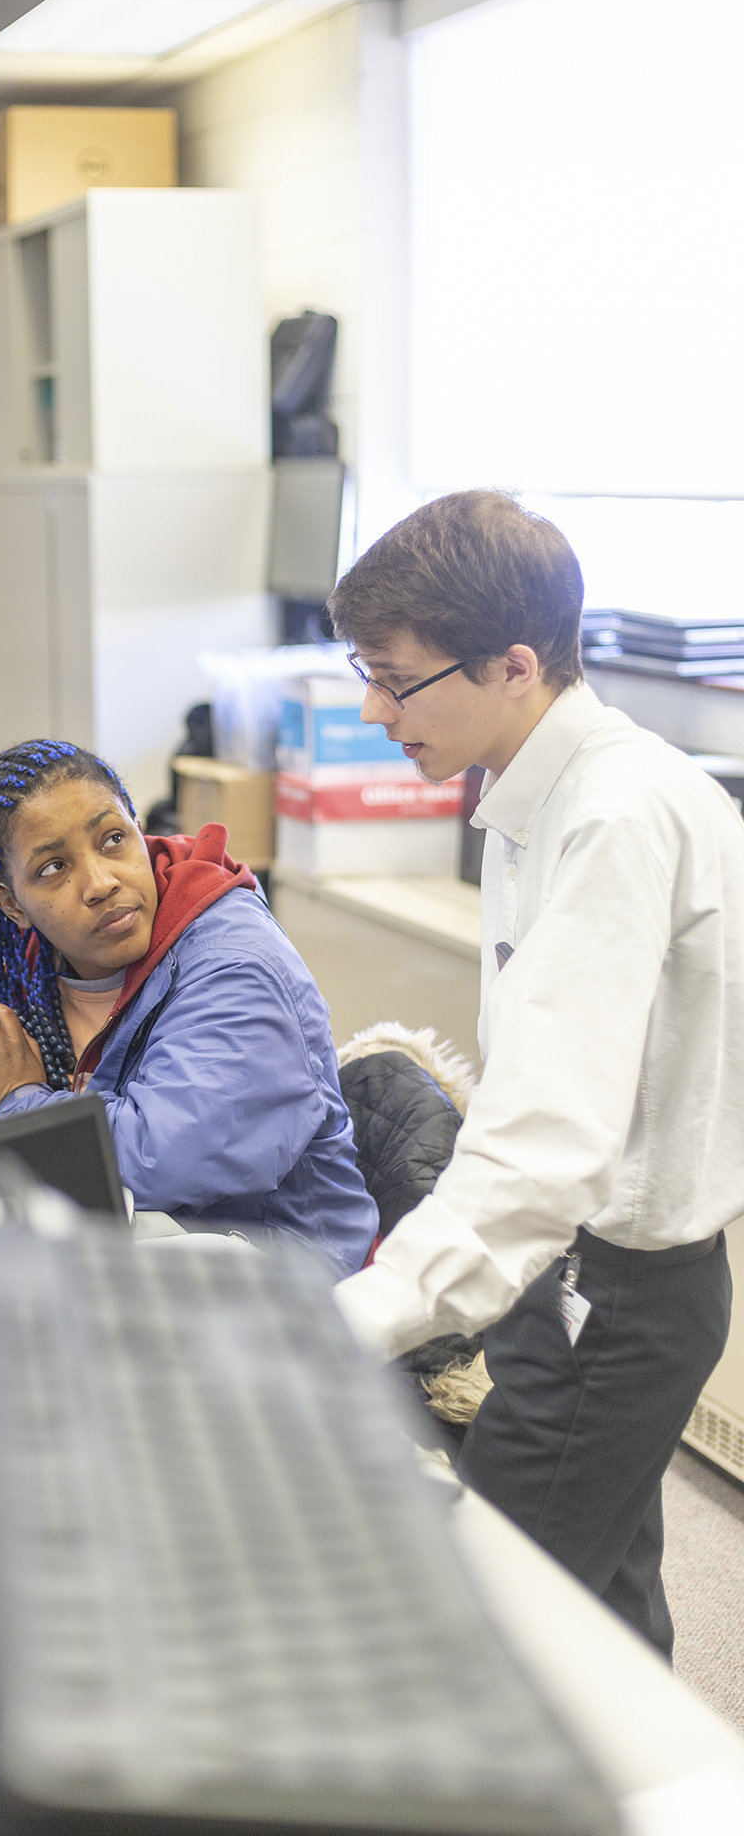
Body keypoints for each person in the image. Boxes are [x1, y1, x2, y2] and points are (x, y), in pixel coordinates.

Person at [328, 488, 744, 1654]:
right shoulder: (536, 790)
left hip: (609, 1298)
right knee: (601, 1618)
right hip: (570, 1277)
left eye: (392, 678)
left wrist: (352, 1319)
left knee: (479, 1636)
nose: (370, 708)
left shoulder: (614, 814)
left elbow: (544, 1139)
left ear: (511, 665)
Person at [0, 737, 376, 1271]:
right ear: (11, 905)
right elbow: (52, 1047)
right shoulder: (52, 948)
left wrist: (19, 1099)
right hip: (164, 1236)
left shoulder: (238, 967)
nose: (100, 883)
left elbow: (168, 1158)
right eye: (53, 868)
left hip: (287, 1272)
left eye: (113, 839)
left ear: (140, 831)